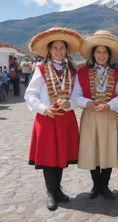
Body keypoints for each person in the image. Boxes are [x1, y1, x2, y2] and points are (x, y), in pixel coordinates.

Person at [24, 28, 83, 211]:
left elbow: (76, 95)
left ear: (66, 51)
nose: (58, 51)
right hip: (47, 119)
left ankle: (58, 190)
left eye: (62, 48)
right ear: (49, 51)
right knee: (49, 155)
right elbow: (30, 95)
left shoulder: (72, 71)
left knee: (60, 155)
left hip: (65, 119)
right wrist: (43, 108)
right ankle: (50, 192)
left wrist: (69, 103)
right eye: (55, 48)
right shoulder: (41, 69)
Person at [71, 30, 118, 200]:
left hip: (110, 115)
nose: (101, 55)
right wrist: (87, 103)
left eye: (104, 52)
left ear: (109, 55)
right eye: (98, 52)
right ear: (93, 54)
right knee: (92, 150)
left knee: (108, 150)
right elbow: (75, 95)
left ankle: (105, 185)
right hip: (91, 116)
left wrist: (109, 105)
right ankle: (96, 185)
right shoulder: (82, 72)